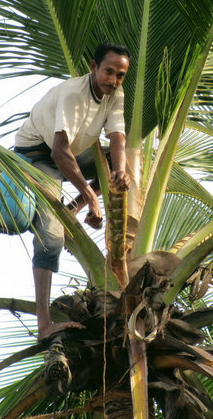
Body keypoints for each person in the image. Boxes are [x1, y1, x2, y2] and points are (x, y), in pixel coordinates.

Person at [14, 42, 131, 340]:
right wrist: (92, 198)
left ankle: (73, 207)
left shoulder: (115, 94)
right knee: (52, 237)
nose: (113, 80)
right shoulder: (73, 95)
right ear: (93, 67)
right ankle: (44, 325)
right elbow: (59, 152)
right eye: (108, 72)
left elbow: (117, 137)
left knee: (114, 162)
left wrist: (119, 172)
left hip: (72, 154)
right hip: (39, 155)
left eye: (120, 75)